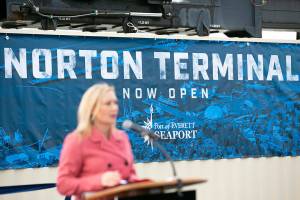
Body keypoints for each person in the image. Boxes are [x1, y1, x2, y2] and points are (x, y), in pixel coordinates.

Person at [56, 83, 138, 200]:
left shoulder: (122, 137)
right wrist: (99, 181)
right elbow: (63, 184)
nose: (114, 107)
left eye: (115, 103)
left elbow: (131, 175)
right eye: (108, 104)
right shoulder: (77, 140)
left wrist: (146, 183)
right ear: (92, 108)